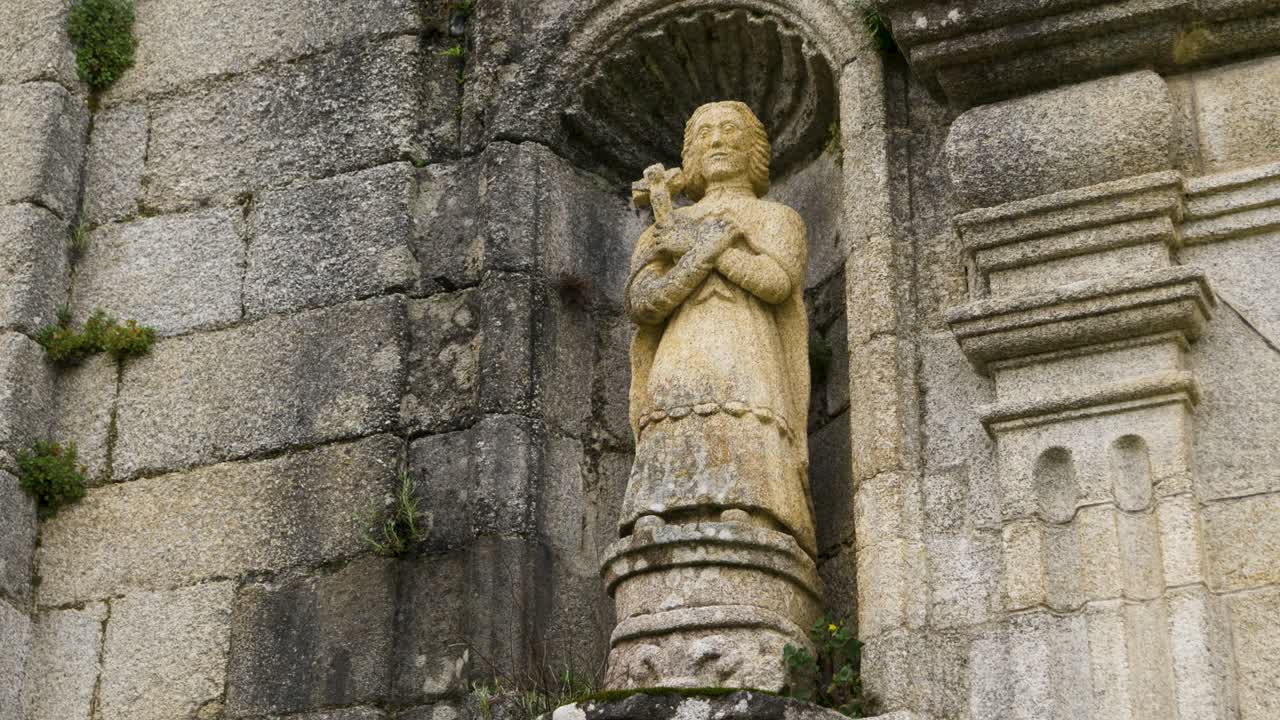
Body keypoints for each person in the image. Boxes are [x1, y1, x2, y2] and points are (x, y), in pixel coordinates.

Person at [621, 100, 816, 556]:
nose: (717, 141)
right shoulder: (667, 223)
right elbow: (643, 303)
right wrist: (700, 251)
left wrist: (707, 248)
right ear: (689, 155)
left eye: (730, 130)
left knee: (745, 411)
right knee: (674, 410)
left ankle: (751, 506)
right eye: (704, 134)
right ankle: (658, 510)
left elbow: (775, 283)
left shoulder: (776, 218)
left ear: (755, 149)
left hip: (746, 344)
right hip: (682, 347)